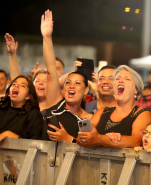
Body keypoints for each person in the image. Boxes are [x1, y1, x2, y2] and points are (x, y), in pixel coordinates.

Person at [41, 10, 92, 142]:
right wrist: (47, 38)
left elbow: (89, 148)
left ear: (86, 90)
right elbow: (51, 72)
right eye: (68, 82)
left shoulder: (90, 119)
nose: (71, 86)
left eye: (77, 83)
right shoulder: (55, 103)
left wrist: (68, 139)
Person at [78, 65, 151, 148]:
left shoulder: (143, 114)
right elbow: (80, 138)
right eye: (117, 79)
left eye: (127, 79)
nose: (120, 81)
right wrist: (90, 138)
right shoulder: (102, 112)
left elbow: (136, 141)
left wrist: (100, 139)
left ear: (136, 89)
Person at [0, 75, 44, 148]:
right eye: (14, 84)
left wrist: (11, 135)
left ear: (28, 96)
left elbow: (37, 146)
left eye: (23, 86)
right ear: (9, 93)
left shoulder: (34, 115)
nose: (16, 86)